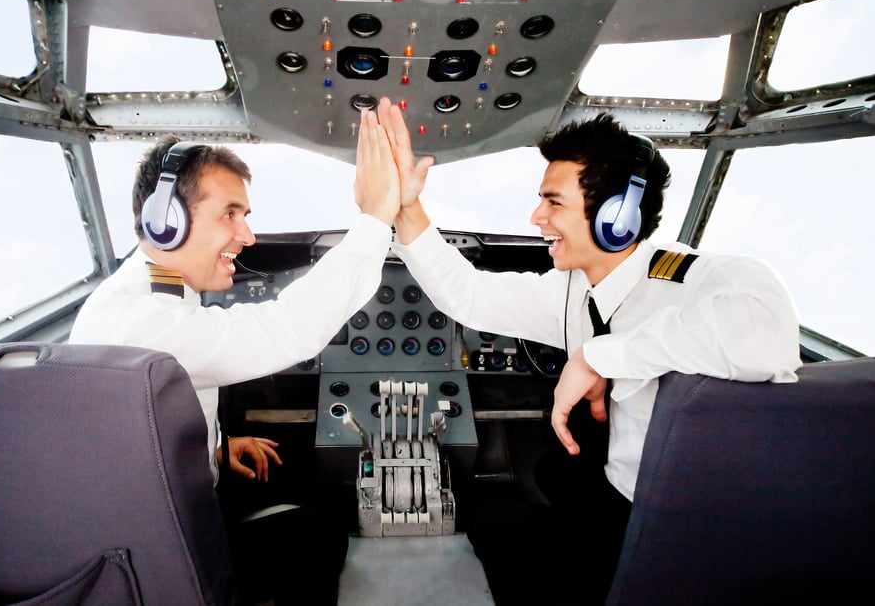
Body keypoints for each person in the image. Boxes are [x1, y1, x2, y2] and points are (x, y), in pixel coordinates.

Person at [373, 96, 801, 604]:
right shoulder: (574, 290)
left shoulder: (695, 277)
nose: (536, 217)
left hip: (674, 522)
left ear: (618, 216)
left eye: (554, 202)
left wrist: (601, 357)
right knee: (551, 469)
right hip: (616, 482)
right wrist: (407, 207)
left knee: (492, 518)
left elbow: (763, 333)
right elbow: (472, 296)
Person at [69, 107, 400, 605]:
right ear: (166, 222)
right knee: (322, 528)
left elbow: (143, 423)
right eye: (230, 214)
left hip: (160, 508)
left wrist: (217, 443)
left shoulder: (157, 294)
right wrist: (375, 219)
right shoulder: (137, 321)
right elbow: (286, 329)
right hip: (164, 550)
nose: (247, 236)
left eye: (245, 216)